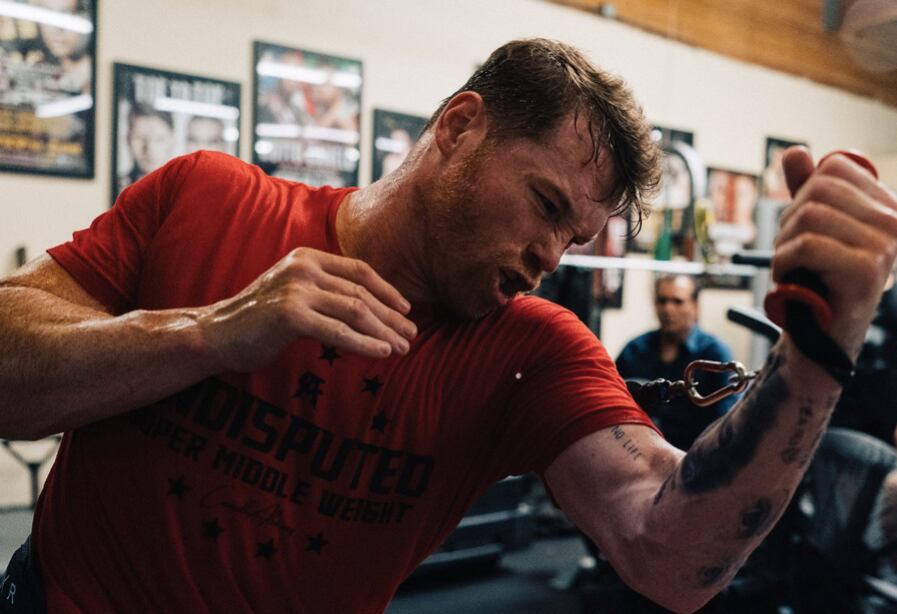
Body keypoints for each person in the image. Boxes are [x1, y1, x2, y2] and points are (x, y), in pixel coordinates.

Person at [1, 38, 895, 614]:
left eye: (574, 236)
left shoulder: (525, 350)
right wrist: (207, 333)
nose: (551, 254)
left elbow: (669, 554)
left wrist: (817, 352)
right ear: (459, 127)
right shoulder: (209, 199)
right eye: (544, 204)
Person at [616, 274, 737, 449]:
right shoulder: (634, 350)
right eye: (662, 301)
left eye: (677, 301)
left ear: (695, 306)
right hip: (637, 454)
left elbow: (726, 420)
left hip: (693, 459)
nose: (668, 309)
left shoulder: (716, 355)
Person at [117, 103, 175, 192]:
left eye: (158, 139)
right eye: (139, 137)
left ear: (171, 141)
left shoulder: (184, 190)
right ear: (127, 139)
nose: (149, 148)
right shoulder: (116, 187)